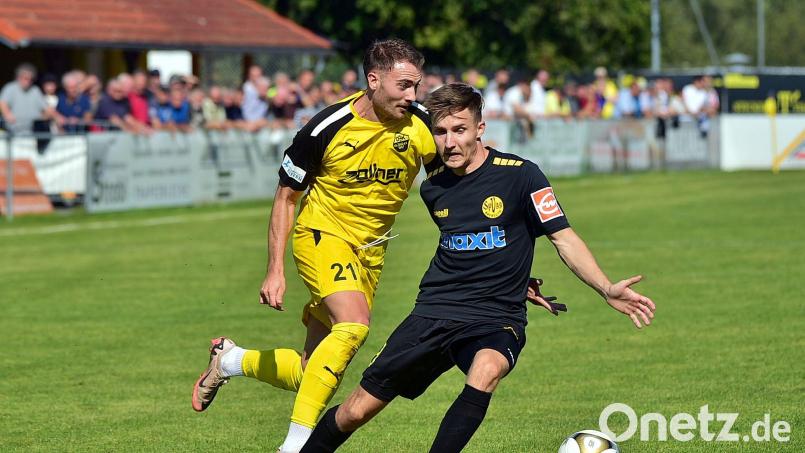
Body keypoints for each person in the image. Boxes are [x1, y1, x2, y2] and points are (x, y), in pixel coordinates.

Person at [299, 83, 656, 453]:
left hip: (496, 316)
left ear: (480, 128)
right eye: (440, 131)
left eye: (460, 130)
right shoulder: (433, 187)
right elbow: (472, 242)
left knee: (486, 370)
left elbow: (563, 238)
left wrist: (605, 287)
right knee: (356, 411)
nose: (449, 142)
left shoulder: (522, 176)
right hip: (434, 310)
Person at [191, 38, 441, 453]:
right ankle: (296, 447)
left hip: (371, 253)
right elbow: (286, 197)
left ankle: (230, 360)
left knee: (316, 368)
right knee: (355, 326)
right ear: (373, 80)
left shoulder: (420, 127)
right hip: (321, 236)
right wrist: (274, 270)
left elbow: (450, 191)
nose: (413, 96)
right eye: (404, 86)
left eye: (417, 86)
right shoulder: (326, 126)